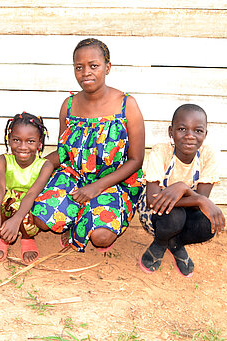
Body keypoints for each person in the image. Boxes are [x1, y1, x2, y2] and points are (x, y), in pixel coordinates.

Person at [31, 38, 145, 252]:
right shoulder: (69, 105)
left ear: (107, 67)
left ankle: (86, 215)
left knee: (101, 237)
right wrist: (31, 167)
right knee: (41, 221)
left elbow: (136, 160)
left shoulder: (126, 105)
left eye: (94, 66)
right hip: (74, 178)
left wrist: (97, 187)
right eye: (79, 67)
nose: (86, 73)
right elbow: (64, 152)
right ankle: (76, 216)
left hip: (113, 182)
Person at [138, 104, 225, 277]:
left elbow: (199, 203)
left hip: (187, 210)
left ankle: (175, 243)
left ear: (205, 135)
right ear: (171, 131)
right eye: (182, 129)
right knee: (175, 216)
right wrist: (194, 196)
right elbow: (152, 200)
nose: (190, 136)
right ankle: (160, 243)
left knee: (207, 224)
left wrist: (194, 196)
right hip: (155, 213)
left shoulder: (209, 155)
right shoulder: (161, 151)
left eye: (198, 131)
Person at [0, 113, 52, 264]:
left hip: (30, 205)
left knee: (31, 207)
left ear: (40, 143)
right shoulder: (2, 160)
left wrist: (17, 219)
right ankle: (2, 236)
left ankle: (27, 238)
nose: (22, 147)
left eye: (30, 141)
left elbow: (32, 193)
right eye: (16, 140)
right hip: (8, 203)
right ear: (9, 140)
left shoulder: (45, 165)